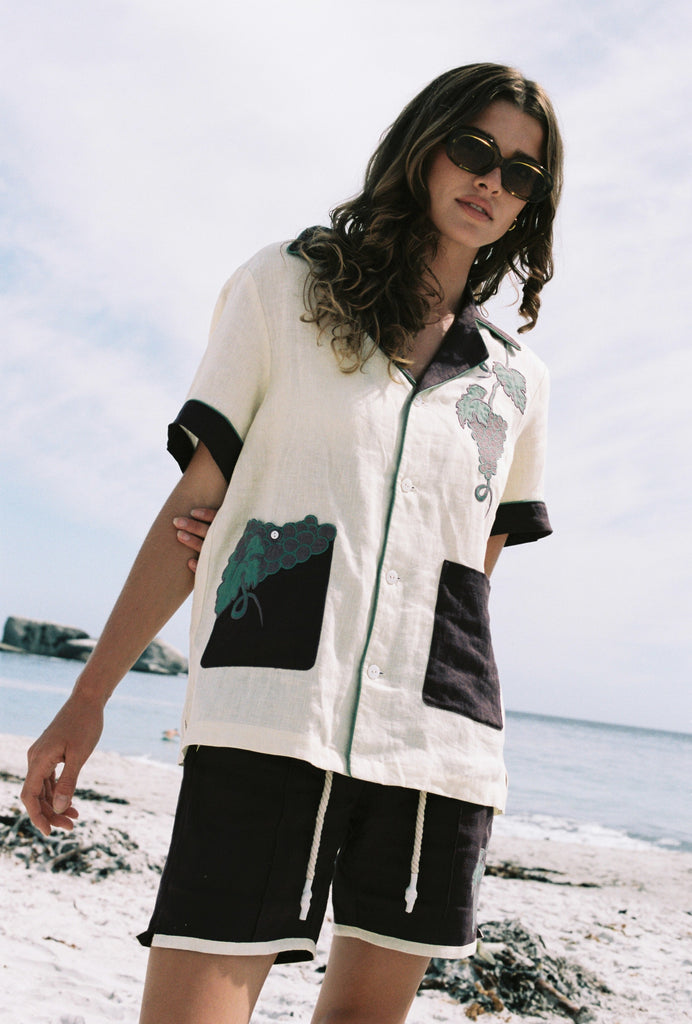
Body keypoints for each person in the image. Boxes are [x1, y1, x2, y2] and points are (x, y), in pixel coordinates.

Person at [22, 63, 563, 1024]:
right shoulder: (285, 288)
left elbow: (472, 570)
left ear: (533, 205)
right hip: (267, 713)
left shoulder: (517, 381)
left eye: (521, 173)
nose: (492, 182)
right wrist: (88, 695)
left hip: (436, 745)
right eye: (475, 150)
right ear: (423, 147)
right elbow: (194, 507)